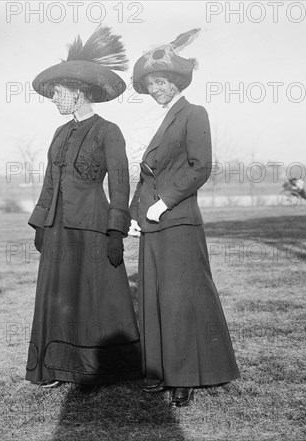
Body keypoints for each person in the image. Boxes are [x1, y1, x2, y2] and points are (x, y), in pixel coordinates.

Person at [129, 29, 240, 407]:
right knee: (154, 298)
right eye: (150, 83)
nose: (156, 87)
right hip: (151, 224)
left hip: (177, 221)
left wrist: (165, 202)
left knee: (180, 299)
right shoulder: (158, 122)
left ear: (175, 81)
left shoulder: (194, 114)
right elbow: (147, 174)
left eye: (161, 81)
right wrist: (134, 213)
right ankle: (159, 371)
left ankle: (185, 377)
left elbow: (200, 167)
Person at [25, 26, 141, 388]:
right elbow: (49, 181)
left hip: (91, 227)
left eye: (59, 92)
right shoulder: (59, 134)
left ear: (77, 92)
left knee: (94, 298)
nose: (55, 98)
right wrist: (41, 223)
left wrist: (115, 231)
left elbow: (119, 184)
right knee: (59, 299)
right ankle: (57, 369)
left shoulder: (109, 131)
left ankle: (99, 368)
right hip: (58, 227)